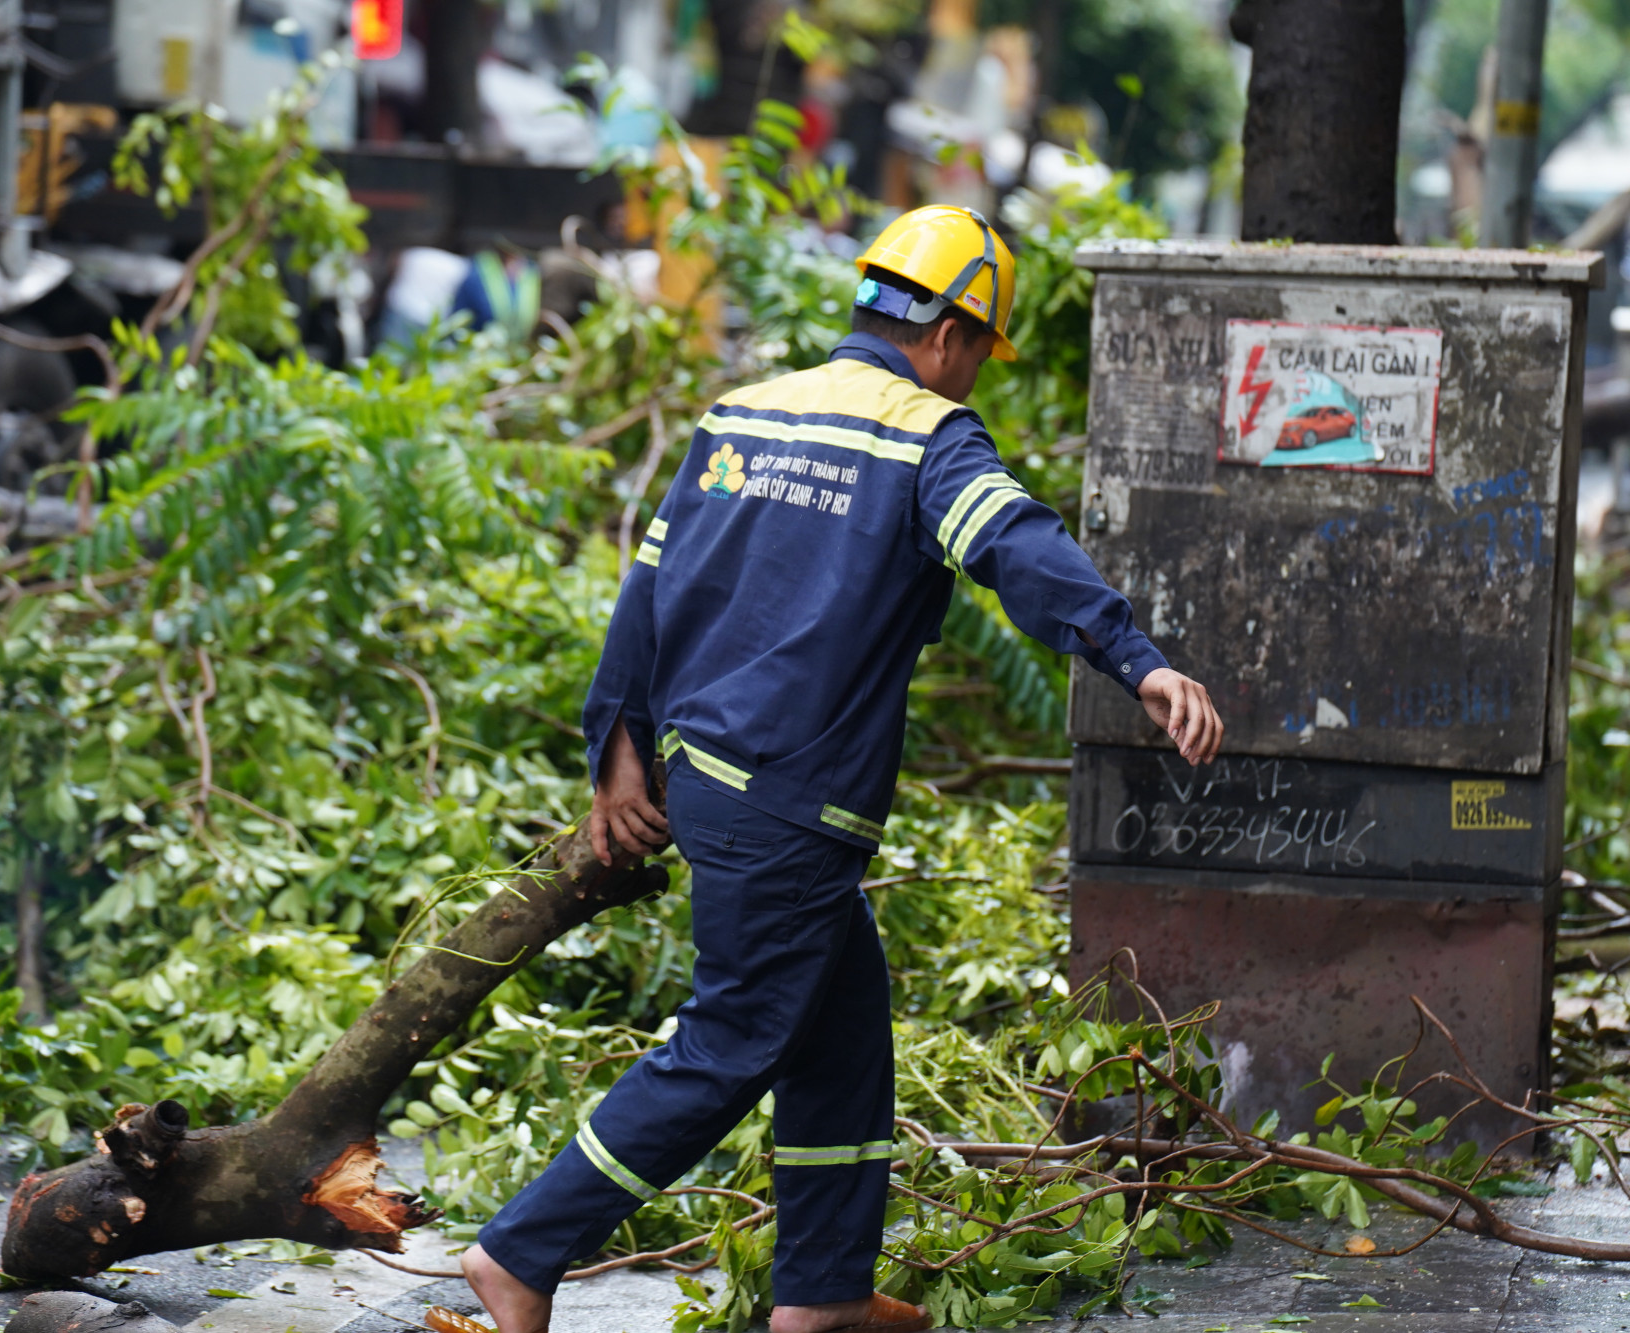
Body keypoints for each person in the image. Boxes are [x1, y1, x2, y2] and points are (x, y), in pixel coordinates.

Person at [459, 205, 1224, 1333]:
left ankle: (819, 1293)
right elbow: (1015, 544)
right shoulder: (926, 437)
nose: (971, 380)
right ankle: (519, 1254)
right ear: (955, 336)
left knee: (843, 1022)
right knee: (730, 1040)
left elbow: (647, 589)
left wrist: (613, 749)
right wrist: (1136, 659)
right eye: (976, 358)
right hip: (786, 799)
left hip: (702, 770)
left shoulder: (742, 412)